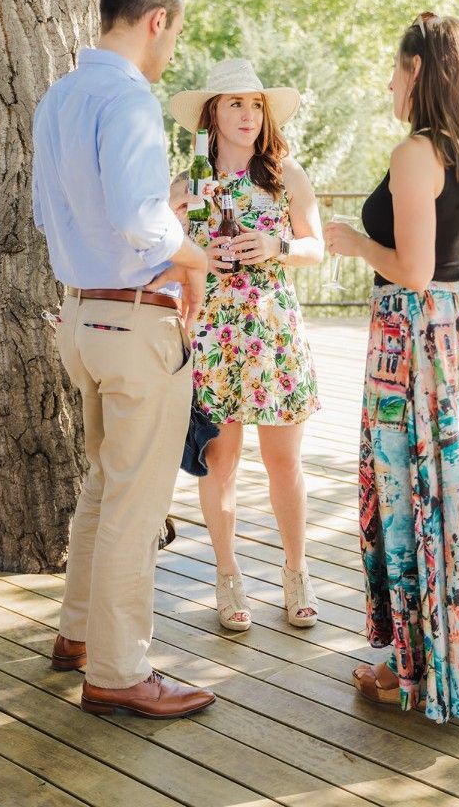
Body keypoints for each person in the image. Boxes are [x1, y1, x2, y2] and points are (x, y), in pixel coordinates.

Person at [325, 13, 459, 723]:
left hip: (416, 343)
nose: (388, 79)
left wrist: (351, 241)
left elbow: (413, 270)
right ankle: (451, 656)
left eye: (395, 64)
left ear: (418, 70)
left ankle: (417, 663)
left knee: (412, 488)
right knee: (456, 494)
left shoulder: (416, 152)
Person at [32, 0, 215, 718]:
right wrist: (195, 252)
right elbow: (142, 220)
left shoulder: (61, 96)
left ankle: (79, 635)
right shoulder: (131, 101)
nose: (170, 46)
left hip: (81, 315)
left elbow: (53, 215)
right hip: (137, 320)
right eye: (173, 30)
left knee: (106, 485)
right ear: (156, 20)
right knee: (136, 503)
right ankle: (115, 669)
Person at [168, 58, 323, 631]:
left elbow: (316, 248)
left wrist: (276, 246)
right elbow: (161, 254)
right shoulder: (189, 184)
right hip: (213, 333)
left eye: (255, 104)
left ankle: (296, 571)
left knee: (284, 461)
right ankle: (228, 575)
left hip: (273, 332)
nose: (248, 115)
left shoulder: (284, 175)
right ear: (212, 113)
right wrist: (173, 221)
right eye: (235, 104)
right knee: (221, 462)